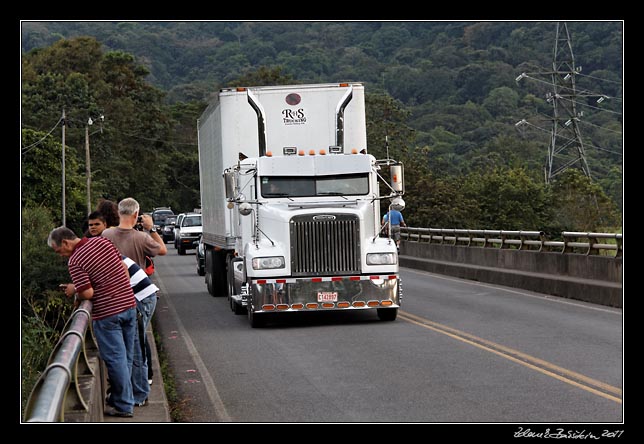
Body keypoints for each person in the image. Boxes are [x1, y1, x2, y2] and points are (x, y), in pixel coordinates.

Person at [48, 226, 137, 418]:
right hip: (129, 306)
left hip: (108, 314)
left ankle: (124, 405)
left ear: (65, 242)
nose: (61, 255)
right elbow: (123, 267)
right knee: (126, 357)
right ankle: (123, 398)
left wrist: (74, 290)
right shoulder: (103, 242)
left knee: (115, 359)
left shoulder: (76, 260)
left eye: (59, 251)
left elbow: (88, 293)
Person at [102, 197, 167, 406]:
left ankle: (132, 391)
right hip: (139, 294)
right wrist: (151, 228)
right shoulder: (141, 237)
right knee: (137, 346)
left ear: (119, 212)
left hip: (118, 297)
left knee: (127, 347)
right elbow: (162, 249)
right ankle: (138, 391)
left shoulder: (106, 235)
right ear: (136, 215)